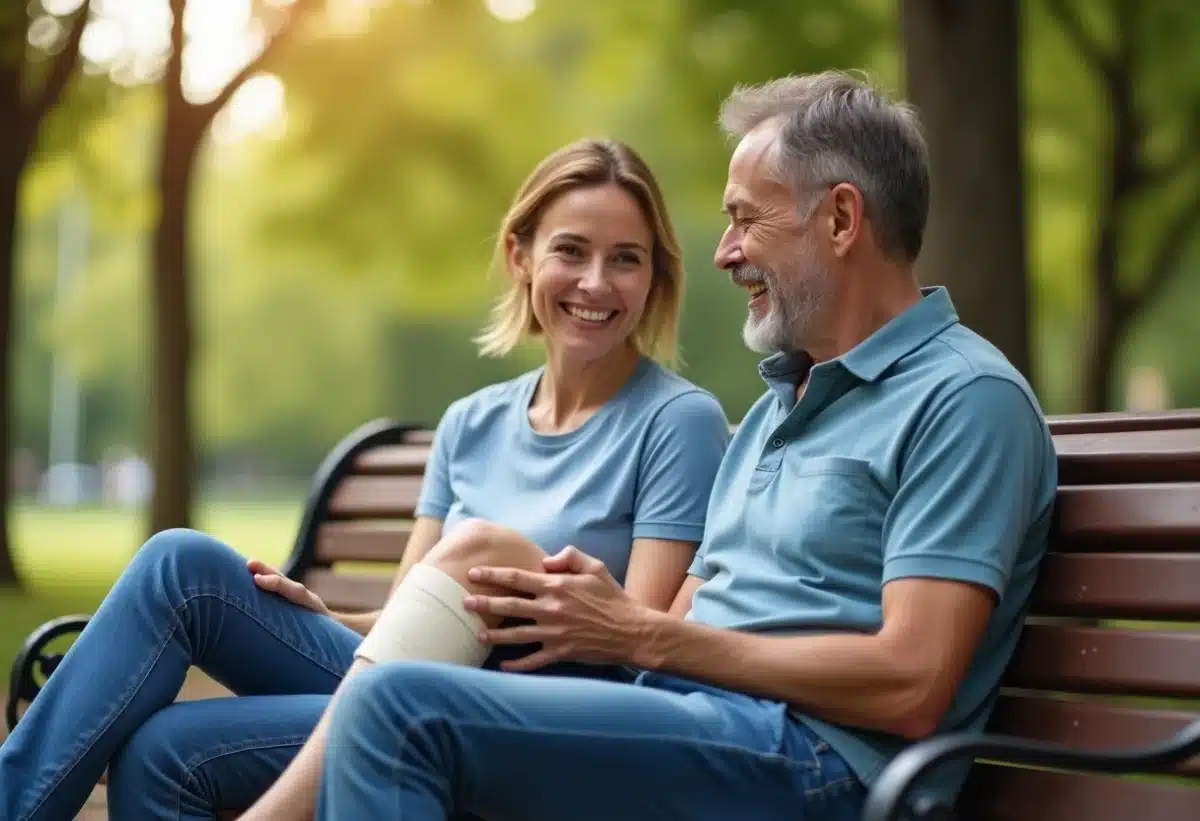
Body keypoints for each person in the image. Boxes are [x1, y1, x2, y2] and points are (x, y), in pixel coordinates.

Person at [310, 70, 1060, 821]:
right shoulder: (781, 406)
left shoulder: (964, 398)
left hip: (814, 760)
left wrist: (643, 634)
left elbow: (912, 682)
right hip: (697, 723)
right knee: (229, 695)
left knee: (397, 711)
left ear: (839, 220)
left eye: (745, 219)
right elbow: (683, 622)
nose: (724, 252)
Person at [0, 138, 731, 821]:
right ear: (520, 255)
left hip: (535, 710)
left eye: (627, 259)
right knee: (178, 565)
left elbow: (641, 640)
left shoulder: (677, 420)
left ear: (655, 277)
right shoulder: (471, 422)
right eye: (571, 250)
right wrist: (325, 613)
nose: (597, 282)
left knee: (169, 748)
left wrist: (512, 578)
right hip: (396, 675)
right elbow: (406, 621)